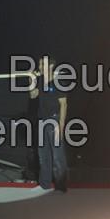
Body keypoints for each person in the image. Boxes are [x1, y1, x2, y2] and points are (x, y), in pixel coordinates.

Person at [30, 56, 68, 193]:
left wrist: (61, 126)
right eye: (39, 64)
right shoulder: (40, 81)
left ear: (50, 66)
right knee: (43, 155)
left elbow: (63, 104)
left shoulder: (58, 82)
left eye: (42, 64)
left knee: (57, 156)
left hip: (54, 120)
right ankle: (44, 184)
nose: (39, 66)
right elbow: (32, 95)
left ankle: (61, 186)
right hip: (41, 120)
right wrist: (32, 80)